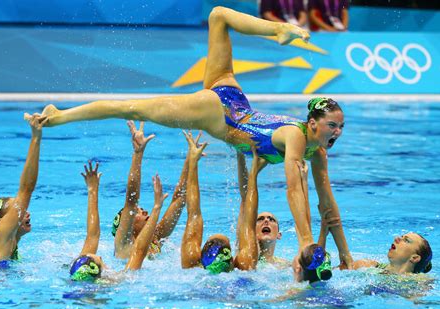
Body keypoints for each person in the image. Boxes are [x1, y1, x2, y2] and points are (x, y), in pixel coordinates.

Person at [37, 6, 353, 267]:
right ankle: (61, 116)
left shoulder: (318, 153)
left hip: (233, 97)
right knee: (134, 109)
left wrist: (345, 256)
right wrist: (305, 242)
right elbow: (294, 191)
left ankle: (278, 29)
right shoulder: (295, 137)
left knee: (218, 16)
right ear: (312, 123)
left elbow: (329, 206)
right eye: (331, 126)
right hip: (218, 112)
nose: (336, 133)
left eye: (340, 127)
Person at [181, 131, 267, 273]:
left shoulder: (191, 261)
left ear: (201, 256)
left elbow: (193, 212)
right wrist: (252, 171)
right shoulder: (244, 264)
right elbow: (249, 211)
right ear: (233, 261)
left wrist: (193, 161)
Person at [69, 161, 168, 281]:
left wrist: (92, 191)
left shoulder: (82, 277)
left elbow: (92, 236)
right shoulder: (122, 279)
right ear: (98, 272)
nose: (100, 255)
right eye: (100, 260)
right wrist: (157, 207)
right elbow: (139, 251)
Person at [112, 121, 188, 259]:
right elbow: (131, 200)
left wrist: (191, 160)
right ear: (126, 226)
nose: (145, 211)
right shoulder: (123, 245)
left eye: (141, 210)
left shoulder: (155, 238)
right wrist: (138, 153)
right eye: (138, 212)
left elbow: (180, 198)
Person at [0, 114, 43, 268]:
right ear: (2, 223)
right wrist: (36, 138)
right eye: (17, 210)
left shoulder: (9, 244)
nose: (25, 212)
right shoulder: (1, 239)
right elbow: (26, 189)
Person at [236, 152, 286, 266]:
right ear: (251, 231)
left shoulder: (285, 266)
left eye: (271, 219)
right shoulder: (243, 257)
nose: (266, 221)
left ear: (279, 235)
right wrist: (240, 154)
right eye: (260, 219)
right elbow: (246, 198)